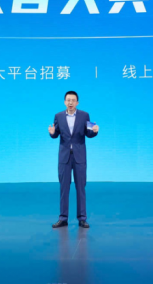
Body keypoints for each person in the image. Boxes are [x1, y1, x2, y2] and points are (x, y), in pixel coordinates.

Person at [48, 90, 98, 229]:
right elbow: (56, 134)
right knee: (64, 188)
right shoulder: (58, 116)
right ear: (65, 102)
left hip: (79, 157)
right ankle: (63, 218)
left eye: (73, 100)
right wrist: (52, 133)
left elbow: (89, 133)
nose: (70, 102)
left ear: (77, 102)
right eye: (68, 100)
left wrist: (95, 131)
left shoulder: (84, 115)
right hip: (64, 157)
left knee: (80, 187)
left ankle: (82, 218)